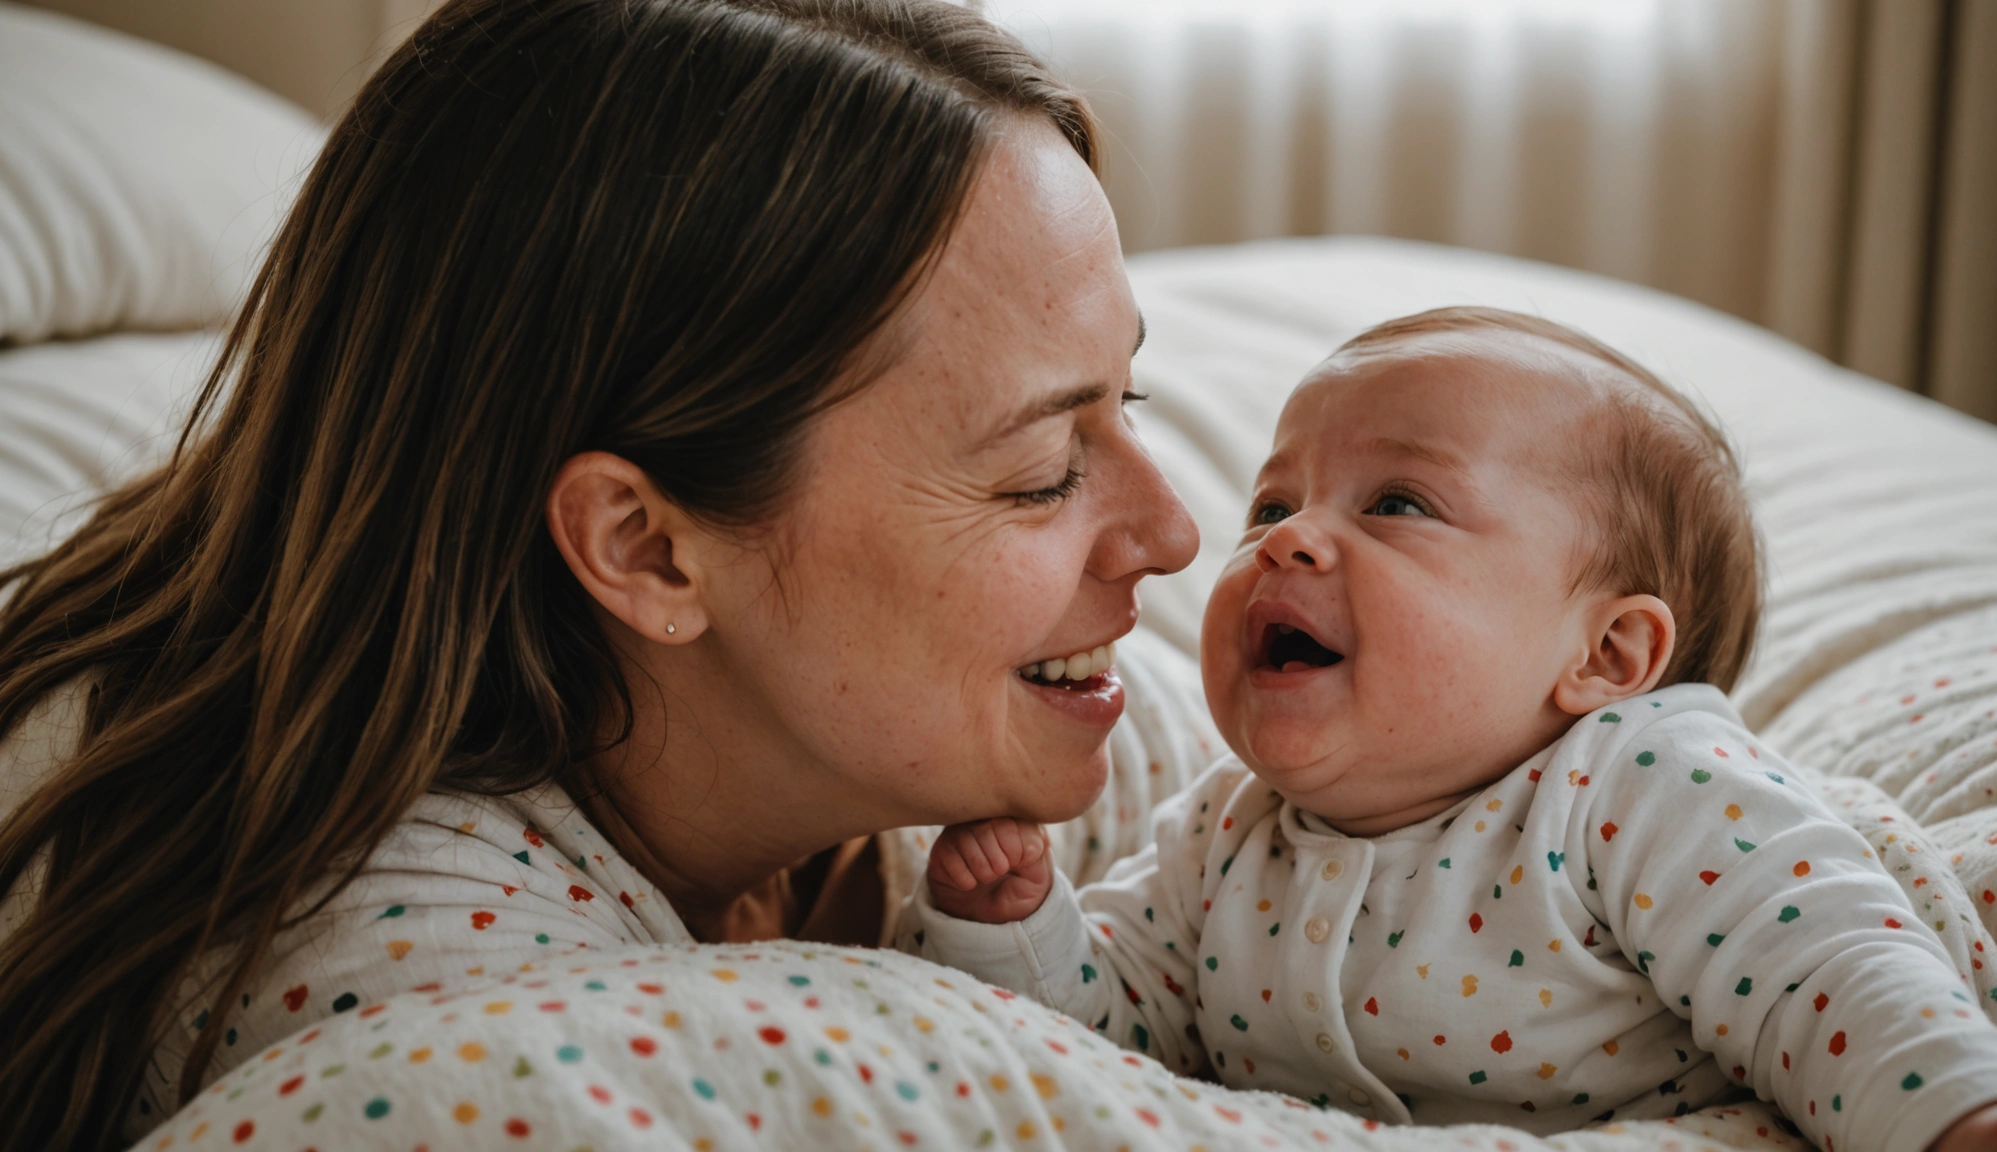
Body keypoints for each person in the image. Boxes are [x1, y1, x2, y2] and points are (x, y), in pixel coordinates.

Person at [0, 1, 1203, 1146]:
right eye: (1043, 468)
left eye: (1128, 400)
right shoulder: (418, 1000)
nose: (1175, 533)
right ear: (647, 549)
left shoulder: (944, 714)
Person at [905, 308, 1997, 1152]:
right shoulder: (1226, 836)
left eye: (1397, 505)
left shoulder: (1638, 784)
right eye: (1273, 506)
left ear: (1606, 658)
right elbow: (1106, 1043)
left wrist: (1959, 1118)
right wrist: (1014, 928)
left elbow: (1824, 972)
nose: (1290, 544)